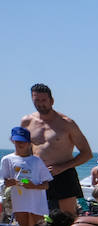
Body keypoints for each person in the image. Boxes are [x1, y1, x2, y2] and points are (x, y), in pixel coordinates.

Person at [20, 83, 91, 216]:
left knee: (67, 218)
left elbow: (87, 153)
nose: (41, 104)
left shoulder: (66, 123)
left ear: (51, 100)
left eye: (44, 100)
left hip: (63, 175)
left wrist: (62, 167)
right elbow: (23, 151)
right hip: (38, 175)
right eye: (37, 100)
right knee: (39, 219)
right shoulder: (27, 122)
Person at [2, 126, 53, 226]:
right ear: (12, 140)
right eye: (17, 141)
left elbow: (46, 184)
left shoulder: (36, 161)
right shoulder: (7, 159)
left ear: (29, 142)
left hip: (37, 199)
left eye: (23, 141)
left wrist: (34, 186)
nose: (20, 144)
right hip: (20, 198)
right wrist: (9, 183)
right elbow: (5, 180)